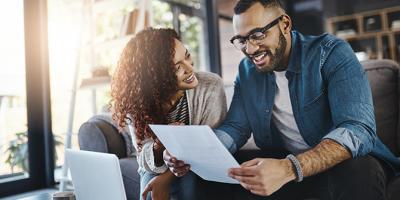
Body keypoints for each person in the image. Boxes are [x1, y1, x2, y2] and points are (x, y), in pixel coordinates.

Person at [164, 0, 400, 199]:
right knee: (205, 175)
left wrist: (290, 168)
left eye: (257, 34)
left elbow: (358, 129)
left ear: (285, 24)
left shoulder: (331, 53)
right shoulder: (247, 72)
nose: (250, 48)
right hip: (286, 164)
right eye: (241, 40)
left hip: (337, 165)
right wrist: (193, 153)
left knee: (359, 170)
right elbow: (235, 127)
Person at [110, 28, 227, 200]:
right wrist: (159, 147)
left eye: (187, 56)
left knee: (187, 185)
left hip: (199, 160)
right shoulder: (137, 102)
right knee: (149, 190)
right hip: (158, 164)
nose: (190, 68)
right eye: (177, 67)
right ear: (156, 76)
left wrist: (165, 179)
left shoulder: (211, 86)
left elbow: (209, 147)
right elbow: (144, 158)